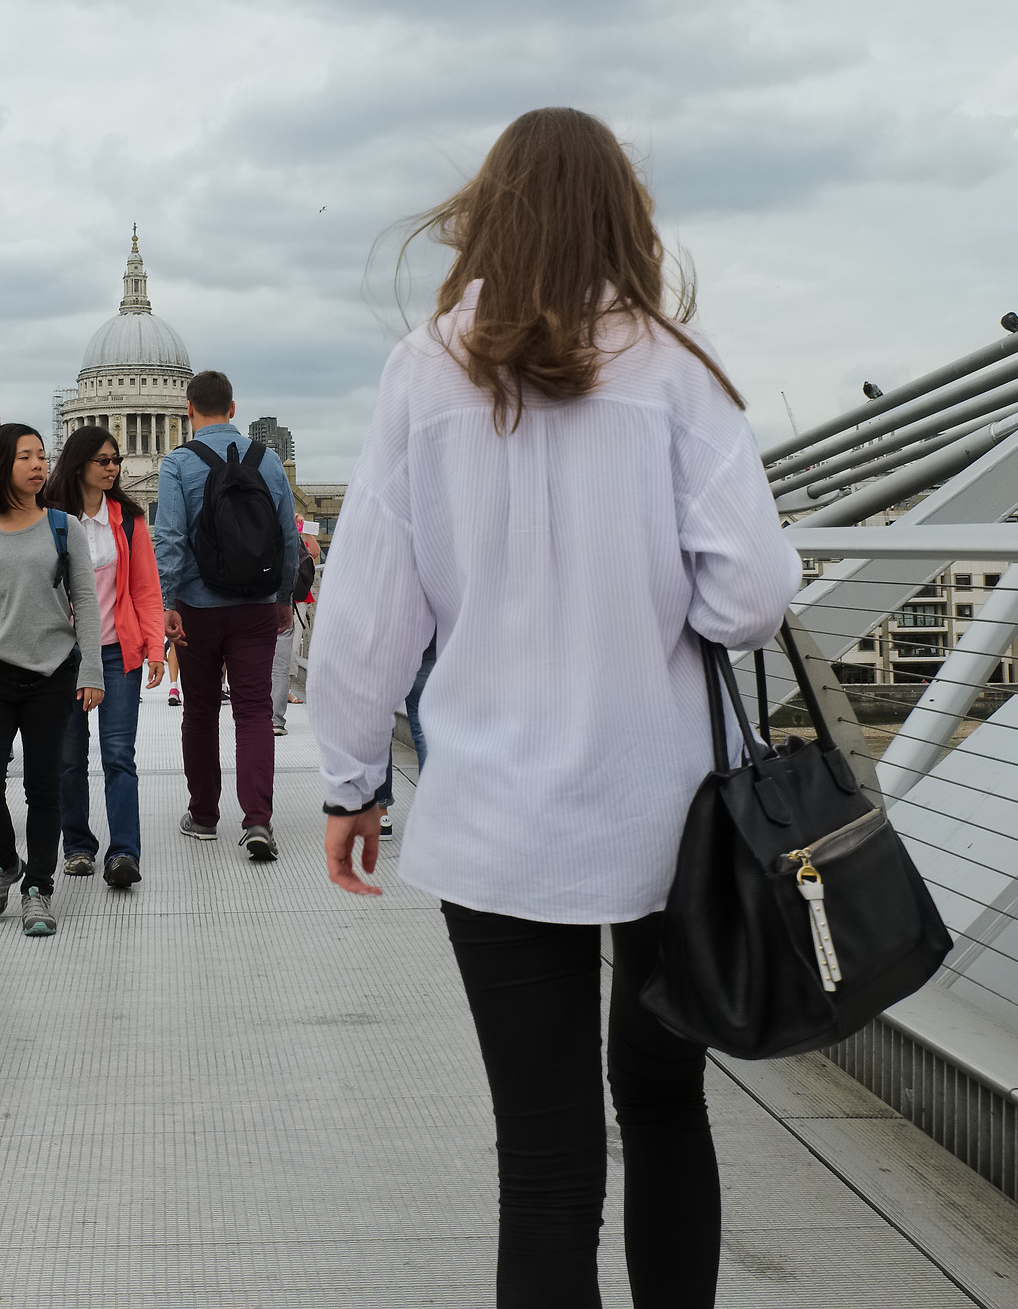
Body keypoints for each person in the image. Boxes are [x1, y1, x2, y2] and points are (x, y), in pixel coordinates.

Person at [309, 108, 798, 1308]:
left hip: (495, 816)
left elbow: (372, 605)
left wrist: (350, 777)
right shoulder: (679, 366)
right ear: (625, 218)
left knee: (541, 1160)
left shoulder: (424, 367)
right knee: (668, 1112)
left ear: (486, 214)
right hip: (668, 816)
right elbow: (751, 597)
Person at [0, 422, 103, 936]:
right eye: (26, 457)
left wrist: (93, 669)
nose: (39, 465)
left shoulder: (64, 526)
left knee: (42, 787)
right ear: (1, 466)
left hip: (52, 673)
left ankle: (38, 888)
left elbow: (86, 605)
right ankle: (2, 863)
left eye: (42, 456)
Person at [151, 370, 301, 861]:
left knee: (199, 712)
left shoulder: (178, 463)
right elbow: (289, 540)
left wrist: (168, 602)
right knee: (254, 712)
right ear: (233, 409)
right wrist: (282, 598)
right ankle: (258, 820)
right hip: (257, 607)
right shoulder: (269, 461)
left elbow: (169, 538)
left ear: (188, 410)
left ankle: (204, 816)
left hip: (198, 607)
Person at [44, 425, 165, 888]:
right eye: (105, 460)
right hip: (63, 654)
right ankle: (76, 846)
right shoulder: (50, 519)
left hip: (117, 651)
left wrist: (156, 647)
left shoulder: (130, 520)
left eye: (115, 459)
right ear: (79, 464)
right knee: (70, 756)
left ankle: (124, 853)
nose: (114, 467)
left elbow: (146, 592)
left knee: (119, 755)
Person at [269, 518, 322, 735]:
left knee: (275, 659)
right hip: (288, 602)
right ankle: (275, 719)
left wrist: (305, 530)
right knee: (281, 660)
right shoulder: (289, 533)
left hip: (269, 600)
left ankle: (260, 714)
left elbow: (314, 552)